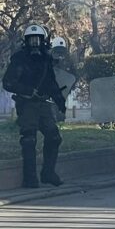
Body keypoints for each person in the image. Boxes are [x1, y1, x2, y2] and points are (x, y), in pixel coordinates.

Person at [2, 24, 66, 188]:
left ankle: (48, 173)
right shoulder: (19, 59)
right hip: (27, 104)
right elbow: (8, 83)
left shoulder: (46, 59)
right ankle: (30, 179)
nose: (35, 43)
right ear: (26, 41)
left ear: (43, 41)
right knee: (29, 140)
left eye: (38, 39)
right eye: (32, 40)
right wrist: (28, 91)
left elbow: (51, 83)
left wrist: (60, 102)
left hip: (43, 105)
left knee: (54, 137)